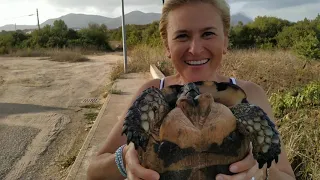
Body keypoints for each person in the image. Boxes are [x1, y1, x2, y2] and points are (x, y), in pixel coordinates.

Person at [87, 0, 296, 179]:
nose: (195, 49)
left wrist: (263, 172)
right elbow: (94, 171)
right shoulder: (153, 93)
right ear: (167, 46)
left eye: (208, 34)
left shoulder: (250, 94)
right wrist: (125, 159)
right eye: (182, 36)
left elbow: (287, 176)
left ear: (225, 40)